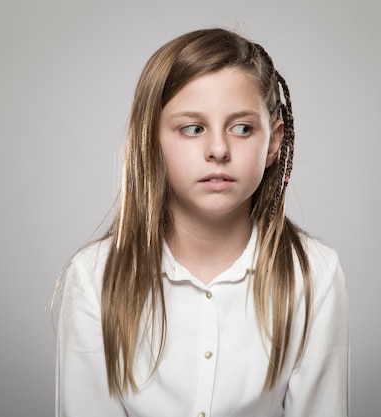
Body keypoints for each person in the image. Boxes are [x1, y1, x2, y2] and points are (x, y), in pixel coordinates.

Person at [55, 28, 349, 417]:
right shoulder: (95, 276)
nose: (218, 150)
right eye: (193, 128)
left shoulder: (313, 274)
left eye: (242, 128)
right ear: (151, 139)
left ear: (273, 142)